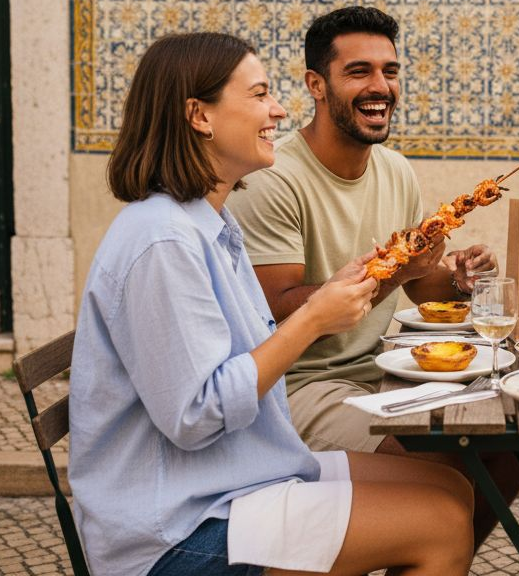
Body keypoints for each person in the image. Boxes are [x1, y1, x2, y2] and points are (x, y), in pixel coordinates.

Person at [69, 33, 474, 576]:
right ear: (199, 115)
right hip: (175, 527)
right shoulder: (161, 240)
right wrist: (312, 320)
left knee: (449, 484)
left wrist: (348, 285)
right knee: (439, 523)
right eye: (259, 95)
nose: (278, 110)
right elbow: (195, 415)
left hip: (234, 476)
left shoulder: (209, 221)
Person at [227, 6, 519, 545]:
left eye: (389, 71)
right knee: (432, 483)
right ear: (316, 85)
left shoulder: (395, 169)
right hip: (299, 388)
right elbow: (275, 306)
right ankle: (421, 544)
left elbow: (420, 283)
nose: (380, 86)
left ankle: (425, 557)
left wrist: (458, 278)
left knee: (510, 446)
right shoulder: (276, 178)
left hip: (383, 372)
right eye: (359, 71)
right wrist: (391, 276)